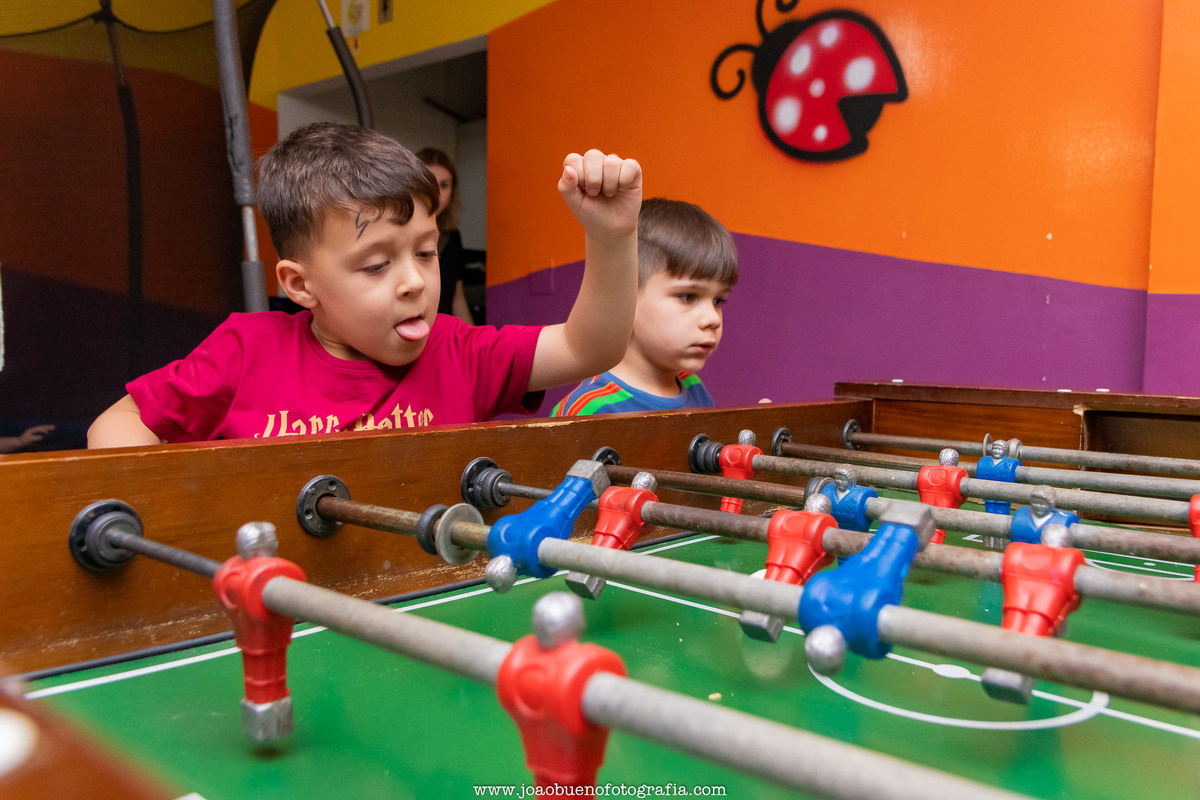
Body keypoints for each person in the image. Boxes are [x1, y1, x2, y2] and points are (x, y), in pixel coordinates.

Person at [87, 122, 641, 447]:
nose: (413, 282)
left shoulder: (461, 352)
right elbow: (118, 422)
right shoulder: (245, 350)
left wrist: (613, 235)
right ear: (300, 286)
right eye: (376, 265)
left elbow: (587, 346)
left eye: (425, 253)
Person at [551, 198, 737, 416]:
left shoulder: (694, 387)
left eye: (718, 301)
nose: (713, 319)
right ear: (625, 298)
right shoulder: (587, 410)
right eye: (688, 297)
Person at [416, 147, 474, 323]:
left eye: (444, 185)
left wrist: (472, 340)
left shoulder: (452, 236)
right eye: (430, 183)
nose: (438, 193)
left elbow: (457, 298)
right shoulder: (398, 232)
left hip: (443, 335)